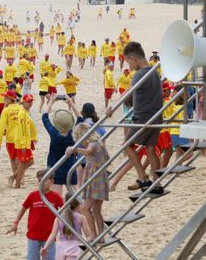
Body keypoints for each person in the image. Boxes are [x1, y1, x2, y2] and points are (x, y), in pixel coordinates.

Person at [106, 41, 164, 194]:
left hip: (143, 117)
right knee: (150, 149)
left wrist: (112, 107)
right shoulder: (154, 71)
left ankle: (143, 177)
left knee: (127, 145)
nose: (129, 67)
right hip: (156, 116)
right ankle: (157, 183)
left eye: (128, 62)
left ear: (133, 59)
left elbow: (129, 92)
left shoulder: (139, 74)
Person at [6, 169, 63, 260]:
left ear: (52, 181)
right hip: (33, 235)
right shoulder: (33, 195)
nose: (41, 183)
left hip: (49, 236)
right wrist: (15, 223)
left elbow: (65, 209)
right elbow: (23, 209)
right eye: (40, 181)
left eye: (45, 180)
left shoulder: (56, 197)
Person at [67, 123, 109, 242]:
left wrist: (74, 148)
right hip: (100, 178)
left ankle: (93, 235)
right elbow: (107, 158)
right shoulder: (100, 142)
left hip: (95, 180)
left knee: (85, 209)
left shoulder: (93, 144)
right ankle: (101, 236)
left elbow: (89, 151)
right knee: (96, 211)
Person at [42, 95, 82, 195]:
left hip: (55, 168)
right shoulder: (73, 133)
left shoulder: (54, 133)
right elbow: (80, 118)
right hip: (71, 168)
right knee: (75, 198)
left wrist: (51, 102)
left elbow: (44, 117)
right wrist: (71, 103)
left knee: (56, 198)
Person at [41, 193, 90, 260]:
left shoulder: (59, 217)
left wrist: (45, 247)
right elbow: (88, 236)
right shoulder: (81, 218)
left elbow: (53, 234)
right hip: (75, 247)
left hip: (60, 247)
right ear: (77, 205)